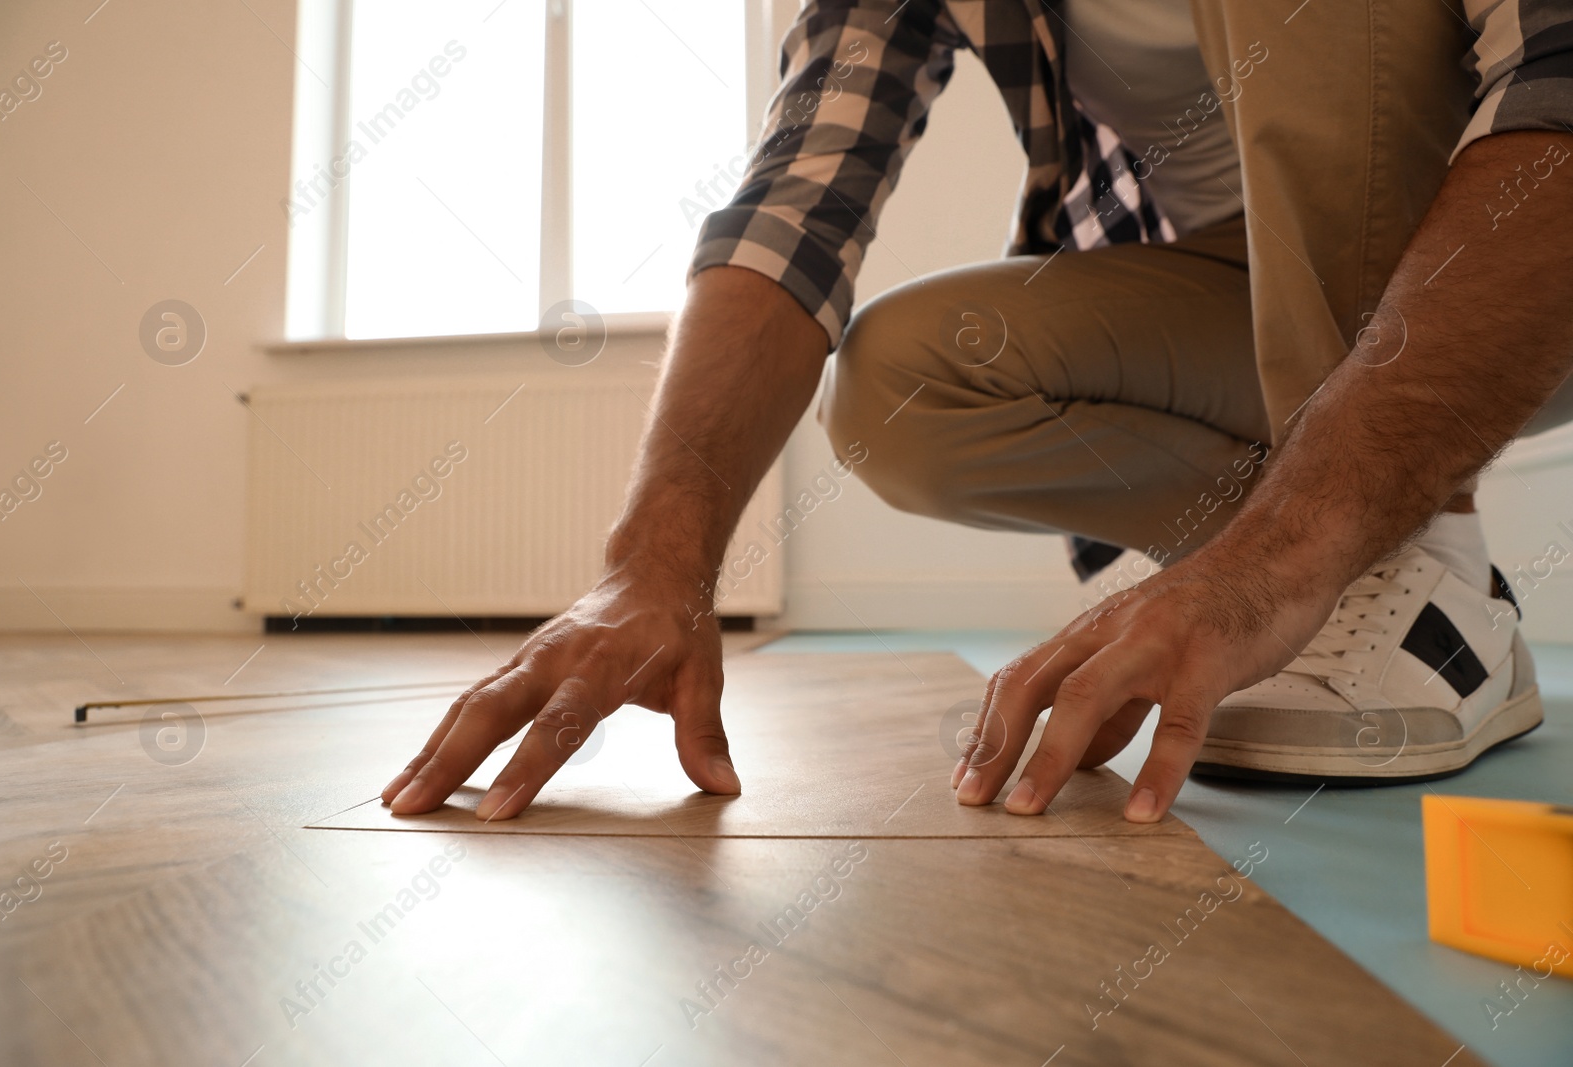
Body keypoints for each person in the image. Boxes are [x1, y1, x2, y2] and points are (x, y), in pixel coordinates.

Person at [382, 0, 1573, 824]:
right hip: (1234, 290)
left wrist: (1282, 555)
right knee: (906, 378)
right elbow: (793, 206)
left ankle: (1405, 564)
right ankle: (1364, 570)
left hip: (1510, 270)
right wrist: (650, 564)